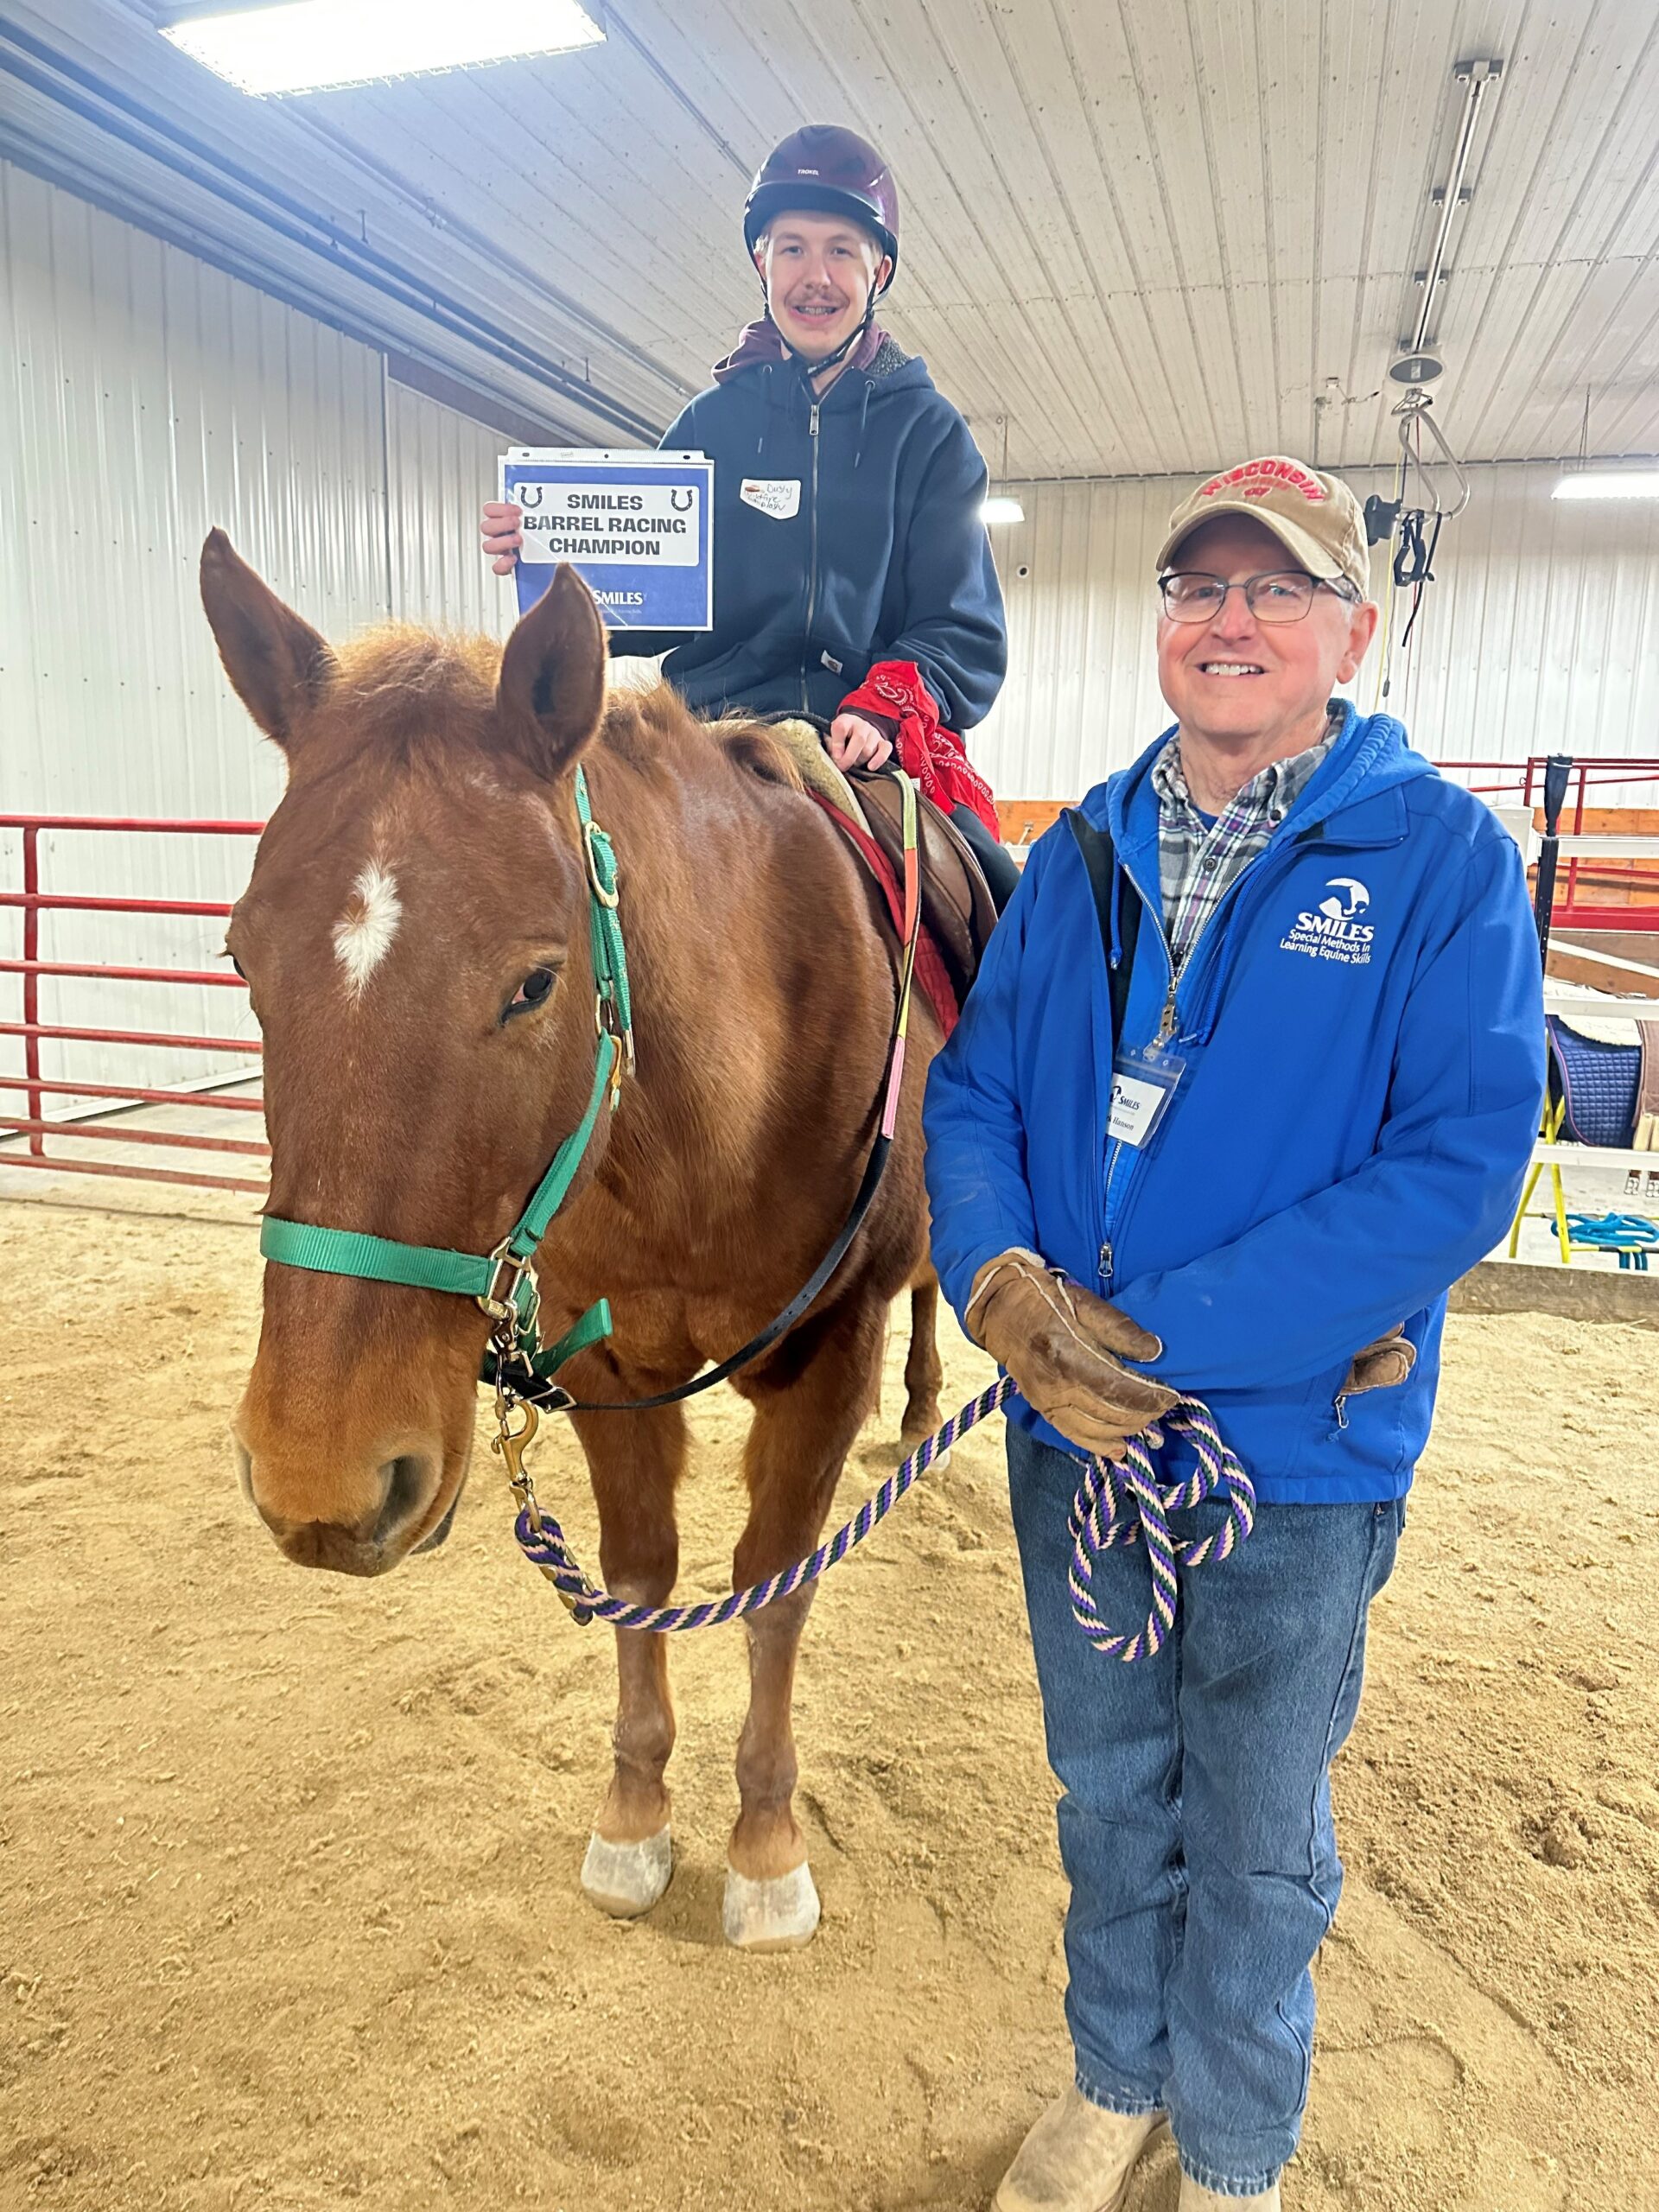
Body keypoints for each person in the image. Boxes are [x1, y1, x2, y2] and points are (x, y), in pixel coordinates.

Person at [923, 455, 1545, 2209]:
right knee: (1110, 1782)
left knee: (1260, 1827)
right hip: (1075, 1435)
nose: (1230, 621)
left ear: (1354, 630)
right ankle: (1117, 2077)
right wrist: (1000, 1282)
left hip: (1291, 1454)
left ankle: (1237, 2145)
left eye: (1276, 589)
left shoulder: (1441, 863)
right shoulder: (1077, 853)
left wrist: (1163, 1335)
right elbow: (973, 1094)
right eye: (1199, 588)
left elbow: (1458, 1166)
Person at [480, 124, 1017, 905]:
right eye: (792, 248)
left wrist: (885, 705)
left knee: (995, 897)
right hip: (704, 730)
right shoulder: (709, 425)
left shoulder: (930, 434)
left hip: (856, 737)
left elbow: (963, 628)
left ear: (878, 272)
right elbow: (648, 600)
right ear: (762, 263)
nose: (815, 276)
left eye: (840, 250)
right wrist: (548, 557)